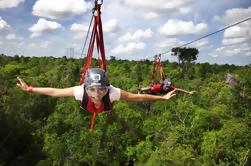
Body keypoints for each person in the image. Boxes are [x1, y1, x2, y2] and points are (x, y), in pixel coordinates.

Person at [17, 68, 176, 114]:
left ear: (107, 88)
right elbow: (55, 92)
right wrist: (30, 89)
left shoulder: (112, 93)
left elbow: (137, 97)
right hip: (89, 107)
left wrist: (162, 98)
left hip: (102, 108)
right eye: (92, 90)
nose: (96, 94)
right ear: (86, 88)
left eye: (102, 90)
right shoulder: (80, 92)